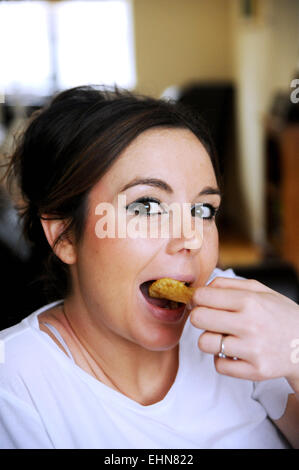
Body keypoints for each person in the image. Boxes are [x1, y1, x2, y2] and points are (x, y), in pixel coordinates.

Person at [0, 86, 298, 449]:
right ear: (64, 235)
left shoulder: (237, 319)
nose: (191, 238)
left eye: (204, 210)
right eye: (147, 207)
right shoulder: (14, 382)